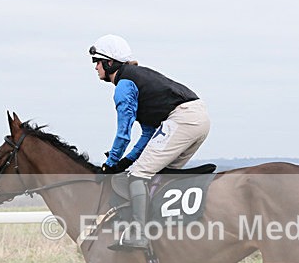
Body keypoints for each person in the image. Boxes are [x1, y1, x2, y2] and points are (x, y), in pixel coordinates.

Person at [90, 34, 210, 251]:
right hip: (196, 119)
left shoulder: (124, 86)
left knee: (138, 175)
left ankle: (140, 234)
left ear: (110, 63)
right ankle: (165, 234)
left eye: (97, 61)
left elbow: (123, 133)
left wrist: (111, 164)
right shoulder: (137, 81)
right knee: (157, 178)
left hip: (183, 119)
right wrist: (125, 161)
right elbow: (147, 135)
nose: (95, 67)